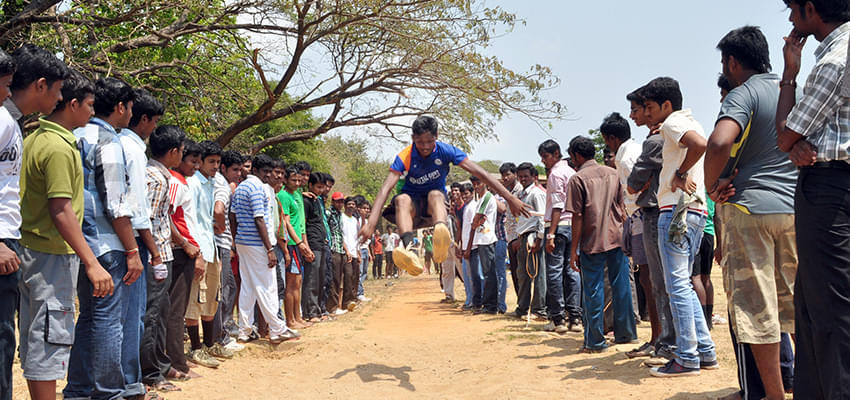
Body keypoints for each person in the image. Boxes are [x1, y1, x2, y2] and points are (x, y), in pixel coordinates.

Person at [704, 26, 798, 400]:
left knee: (759, 314)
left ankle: (773, 396)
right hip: (795, 209)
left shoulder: (743, 93)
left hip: (748, 210)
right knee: (796, 308)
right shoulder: (792, 89)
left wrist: (713, 188)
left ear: (733, 61)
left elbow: (719, 141)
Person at [775, 1, 850, 396]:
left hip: (828, 190)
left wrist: (789, 73)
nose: (790, 21)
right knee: (811, 301)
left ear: (810, 8)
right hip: (832, 184)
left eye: (792, 9)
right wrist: (798, 143)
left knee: (830, 309)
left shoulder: (833, 61)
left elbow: (785, 133)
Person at [19, 69, 108, 400]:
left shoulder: (35, 139)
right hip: (51, 256)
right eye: (89, 105)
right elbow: (61, 210)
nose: (92, 112)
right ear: (72, 104)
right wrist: (91, 262)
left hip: (32, 250)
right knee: (49, 339)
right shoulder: (58, 147)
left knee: (36, 338)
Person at [358, 115, 528, 276]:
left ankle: (441, 231)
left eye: (429, 142)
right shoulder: (406, 156)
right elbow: (385, 189)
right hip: (412, 209)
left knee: (436, 195)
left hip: (435, 207)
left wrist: (510, 197)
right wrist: (371, 222)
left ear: (437, 136)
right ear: (413, 138)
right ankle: (408, 248)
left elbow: (481, 172)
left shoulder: (446, 151)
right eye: (420, 142)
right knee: (401, 199)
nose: (425, 147)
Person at [65, 77, 145, 400]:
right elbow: (115, 204)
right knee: (109, 322)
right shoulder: (109, 142)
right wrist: (132, 249)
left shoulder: (75, 134)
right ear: (121, 107)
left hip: (81, 242)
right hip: (107, 244)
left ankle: (79, 390)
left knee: (89, 318)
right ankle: (109, 392)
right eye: (129, 108)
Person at [641, 77, 716, 377]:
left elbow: (700, 146)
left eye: (649, 107)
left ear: (666, 105)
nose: (646, 114)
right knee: (683, 282)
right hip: (693, 210)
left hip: (675, 211)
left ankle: (686, 357)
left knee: (677, 286)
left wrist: (678, 174)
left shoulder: (673, 122)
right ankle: (705, 351)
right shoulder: (689, 121)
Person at [565, 136, 637, 352]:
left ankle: (595, 341)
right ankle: (626, 334)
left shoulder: (577, 179)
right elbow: (621, 207)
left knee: (593, 291)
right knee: (621, 287)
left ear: (577, 155)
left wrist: (573, 250)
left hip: (592, 241)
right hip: (616, 238)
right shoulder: (613, 173)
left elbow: (577, 216)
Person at [118, 87, 165, 395]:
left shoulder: (116, 142)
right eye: (154, 122)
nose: (154, 130)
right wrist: (151, 250)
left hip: (123, 239)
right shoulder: (133, 150)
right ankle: (128, 382)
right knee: (132, 319)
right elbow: (137, 210)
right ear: (143, 119)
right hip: (131, 241)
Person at [625, 86, 676, 365]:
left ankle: (667, 344)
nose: (639, 114)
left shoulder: (656, 141)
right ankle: (664, 340)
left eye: (642, 108)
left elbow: (634, 183)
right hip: (658, 212)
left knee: (661, 282)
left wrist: (639, 184)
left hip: (656, 213)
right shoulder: (660, 138)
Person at [231, 155, 299, 344]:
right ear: (255, 171)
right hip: (258, 244)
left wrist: (236, 241)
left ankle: (245, 330)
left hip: (244, 243)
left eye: (270, 172)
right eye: (265, 172)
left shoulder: (240, 187)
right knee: (268, 285)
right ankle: (277, 329)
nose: (269, 175)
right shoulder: (257, 188)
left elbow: (233, 216)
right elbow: (259, 219)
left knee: (248, 286)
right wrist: (269, 248)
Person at [141, 125, 187, 391]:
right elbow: (146, 220)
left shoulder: (159, 175)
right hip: (155, 255)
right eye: (181, 151)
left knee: (161, 311)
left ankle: (160, 363)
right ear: (173, 152)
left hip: (162, 253)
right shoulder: (157, 179)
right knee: (152, 314)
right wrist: (156, 255)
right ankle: (150, 372)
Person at [185, 141, 230, 366]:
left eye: (218, 162)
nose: (215, 166)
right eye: (211, 161)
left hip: (211, 247)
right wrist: (198, 254)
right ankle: (195, 348)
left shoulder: (212, 184)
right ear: (200, 161)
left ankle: (210, 344)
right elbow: (190, 221)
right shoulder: (192, 184)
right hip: (198, 249)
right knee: (196, 299)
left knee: (212, 297)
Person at [163, 140, 202, 376]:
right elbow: (164, 215)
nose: (196, 166)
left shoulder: (182, 182)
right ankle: (177, 362)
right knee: (175, 310)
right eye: (192, 161)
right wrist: (185, 244)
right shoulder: (174, 182)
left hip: (184, 250)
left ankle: (174, 359)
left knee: (176, 308)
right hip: (179, 252)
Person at [538, 139, 582, 333]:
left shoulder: (556, 174)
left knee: (554, 272)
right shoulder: (573, 172)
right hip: (573, 226)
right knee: (572, 271)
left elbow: (557, 205)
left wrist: (551, 234)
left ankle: (558, 319)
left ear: (556, 153)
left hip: (558, 226)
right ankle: (575, 318)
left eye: (546, 157)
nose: (544, 161)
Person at [213, 150, 245, 344]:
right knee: (223, 290)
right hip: (220, 244)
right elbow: (218, 211)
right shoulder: (221, 185)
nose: (238, 174)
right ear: (224, 168)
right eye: (235, 169)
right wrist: (221, 228)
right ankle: (220, 335)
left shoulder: (218, 182)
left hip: (222, 243)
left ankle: (224, 327)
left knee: (229, 287)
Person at [510, 162, 547, 320]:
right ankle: (523, 307)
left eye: (526, 176)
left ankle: (539, 309)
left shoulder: (537, 193)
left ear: (534, 177)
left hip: (533, 237)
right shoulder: (521, 195)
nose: (523, 179)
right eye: (521, 177)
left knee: (537, 273)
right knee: (523, 274)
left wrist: (539, 239)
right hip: (523, 236)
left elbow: (543, 217)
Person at [278, 166, 311, 328]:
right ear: (285, 180)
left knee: (297, 282)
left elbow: (300, 223)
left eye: (299, 180)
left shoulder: (295, 195)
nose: (298, 183)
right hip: (291, 244)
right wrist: (298, 242)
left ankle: (298, 318)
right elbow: (285, 222)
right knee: (291, 284)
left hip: (297, 244)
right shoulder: (283, 196)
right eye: (294, 180)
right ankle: (290, 320)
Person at [464, 175, 500, 314]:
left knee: (489, 273)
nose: (476, 186)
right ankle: (488, 304)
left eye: (478, 183)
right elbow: (475, 221)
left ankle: (491, 305)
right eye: (474, 184)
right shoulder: (480, 200)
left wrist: (476, 221)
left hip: (487, 238)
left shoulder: (486, 197)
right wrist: (476, 222)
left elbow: (476, 219)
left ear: (484, 183)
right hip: (482, 238)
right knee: (486, 273)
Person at [301, 172, 328, 322]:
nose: (320, 190)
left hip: (321, 242)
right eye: (318, 187)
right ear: (310, 185)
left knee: (320, 278)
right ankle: (309, 313)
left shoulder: (318, 201)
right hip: (312, 243)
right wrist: (306, 246)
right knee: (311, 279)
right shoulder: (306, 201)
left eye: (322, 187)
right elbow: (303, 223)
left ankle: (317, 310)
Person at [500, 162, 523, 300]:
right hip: (511, 237)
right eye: (503, 176)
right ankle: (520, 302)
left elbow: (521, 216)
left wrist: (519, 238)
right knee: (514, 272)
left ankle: (526, 304)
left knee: (521, 273)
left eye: (508, 174)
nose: (505, 178)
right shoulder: (508, 193)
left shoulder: (519, 192)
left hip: (518, 237)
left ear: (515, 175)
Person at [340, 197, 362, 311]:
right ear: (345, 205)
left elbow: (356, 238)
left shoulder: (355, 220)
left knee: (355, 277)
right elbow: (341, 236)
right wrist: (347, 251)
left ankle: (353, 300)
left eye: (353, 204)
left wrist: (358, 253)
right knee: (347, 277)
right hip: (346, 252)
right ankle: (346, 302)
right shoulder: (341, 218)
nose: (351, 206)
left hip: (354, 252)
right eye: (349, 204)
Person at [356, 199, 372, 302]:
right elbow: (360, 233)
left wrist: (370, 252)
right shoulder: (357, 220)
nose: (366, 210)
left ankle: (359, 291)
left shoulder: (368, 222)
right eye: (364, 208)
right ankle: (359, 293)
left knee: (364, 272)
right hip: (359, 249)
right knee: (360, 272)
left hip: (365, 249)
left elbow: (367, 238)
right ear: (359, 209)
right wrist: (362, 218)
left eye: (368, 209)